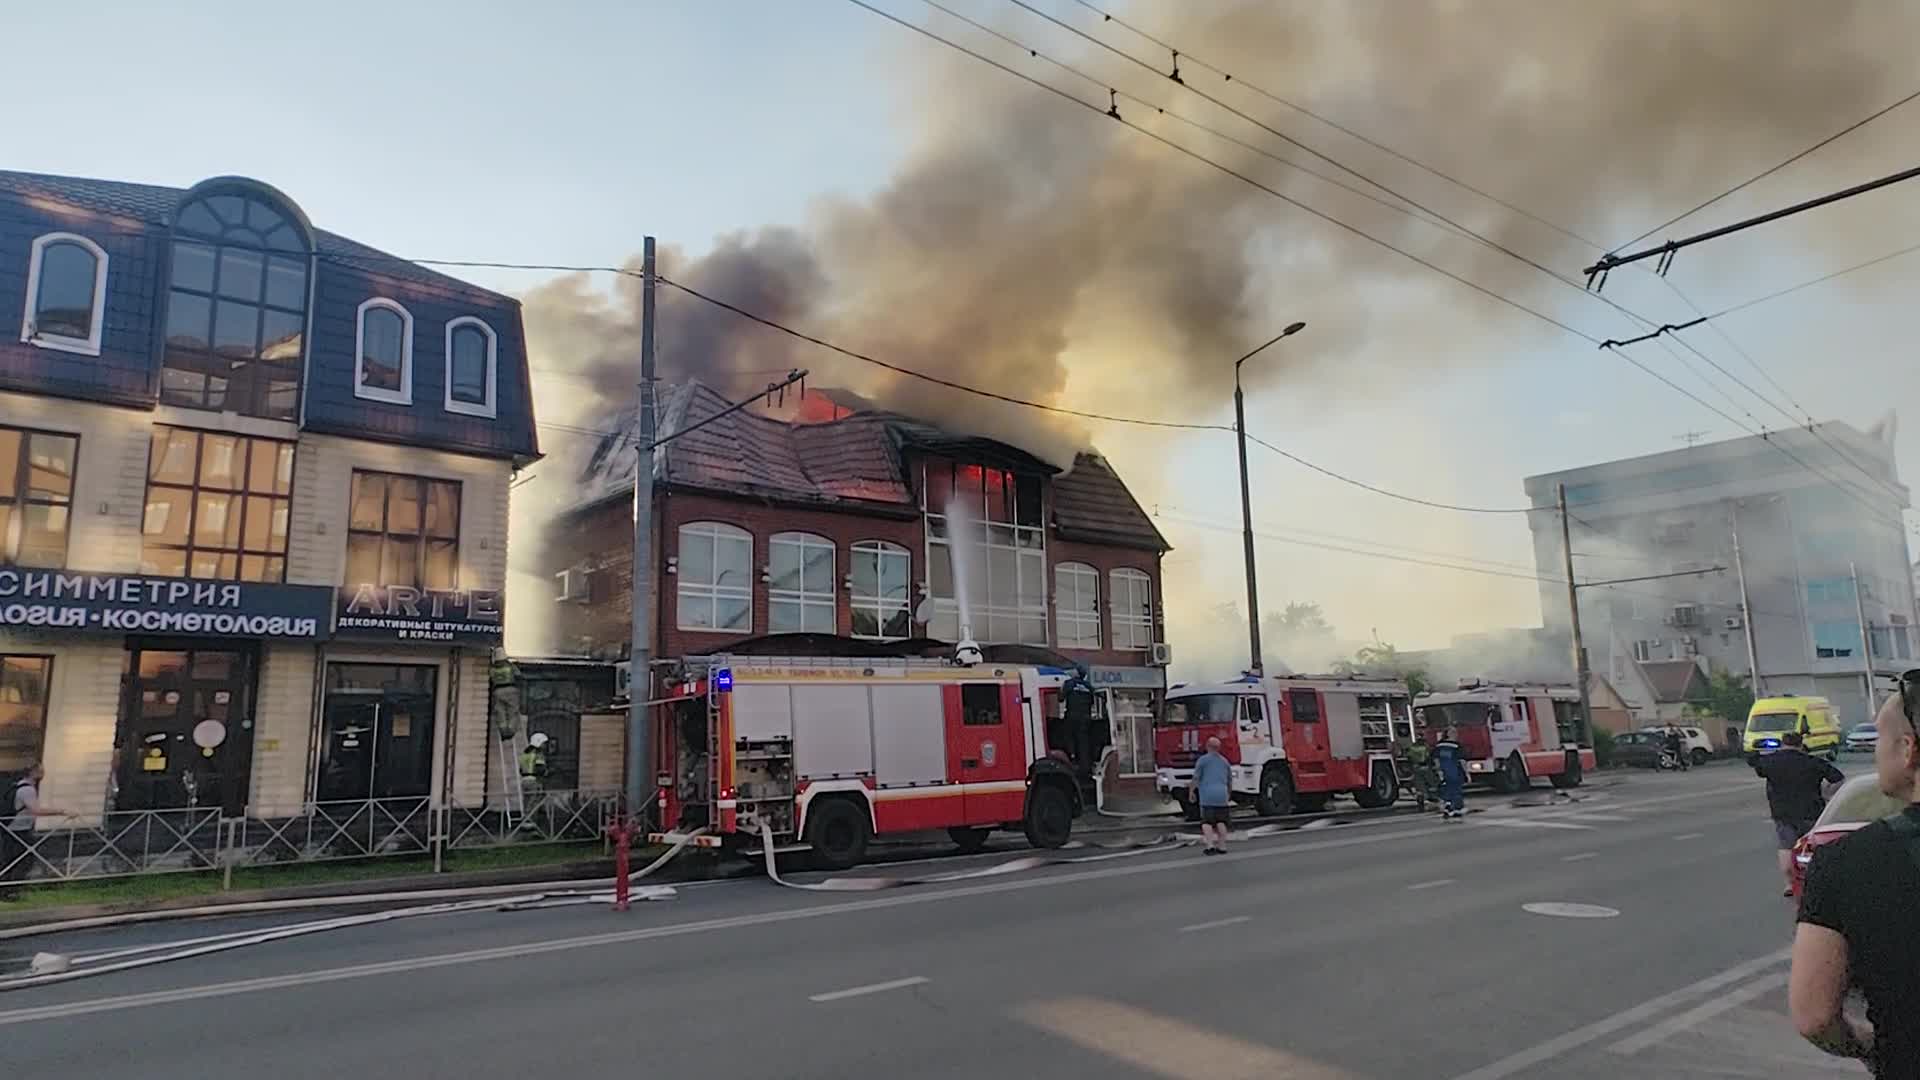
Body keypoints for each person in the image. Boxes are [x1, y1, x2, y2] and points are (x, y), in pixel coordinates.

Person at [1790, 676, 1920, 1079]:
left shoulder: (1846, 863)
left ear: (1908, 749)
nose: (1875, 751)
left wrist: (1867, 1045)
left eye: (1881, 737)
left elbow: (1813, 1016)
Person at [1753, 730, 1844, 896]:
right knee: (1812, 847)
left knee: (1786, 847)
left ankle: (1789, 884)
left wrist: (1761, 749)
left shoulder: (1771, 762)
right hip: (1811, 810)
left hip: (1783, 813)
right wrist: (1827, 794)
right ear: (1801, 744)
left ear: (1783, 743)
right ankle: (1814, 880)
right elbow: (1838, 778)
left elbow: (1755, 764)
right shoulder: (1812, 761)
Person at [4, 762, 70, 887]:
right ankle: (10, 888)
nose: (43, 774)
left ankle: (9, 887)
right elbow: (36, 810)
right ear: (33, 772)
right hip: (18, 830)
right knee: (23, 860)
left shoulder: (18, 785)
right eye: (41, 771)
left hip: (12, 828)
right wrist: (62, 811)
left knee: (13, 859)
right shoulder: (28, 790)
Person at [1189, 736, 1233, 855]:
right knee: (1221, 821)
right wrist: (1229, 793)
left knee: (1207, 822)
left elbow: (1196, 777)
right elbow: (1229, 780)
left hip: (1207, 795)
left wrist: (1191, 791)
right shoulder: (1225, 761)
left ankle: (1210, 846)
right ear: (1219, 748)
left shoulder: (1203, 760)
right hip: (1221, 794)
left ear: (1207, 746)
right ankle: (1222, 846)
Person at [1433, 726, 1467, 820]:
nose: (1456, 734)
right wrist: (1467, 773)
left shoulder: (1439, 745)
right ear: (1450, 734)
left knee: (1447, 789)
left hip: (1444, 771)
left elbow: (1436, 759)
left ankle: (1448, 806)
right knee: (1456, 790)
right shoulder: (1456, 746)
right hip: (1455, 771)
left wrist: (1439, 770)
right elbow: (1462, 760)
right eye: (1454, 732)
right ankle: (1456, 809)